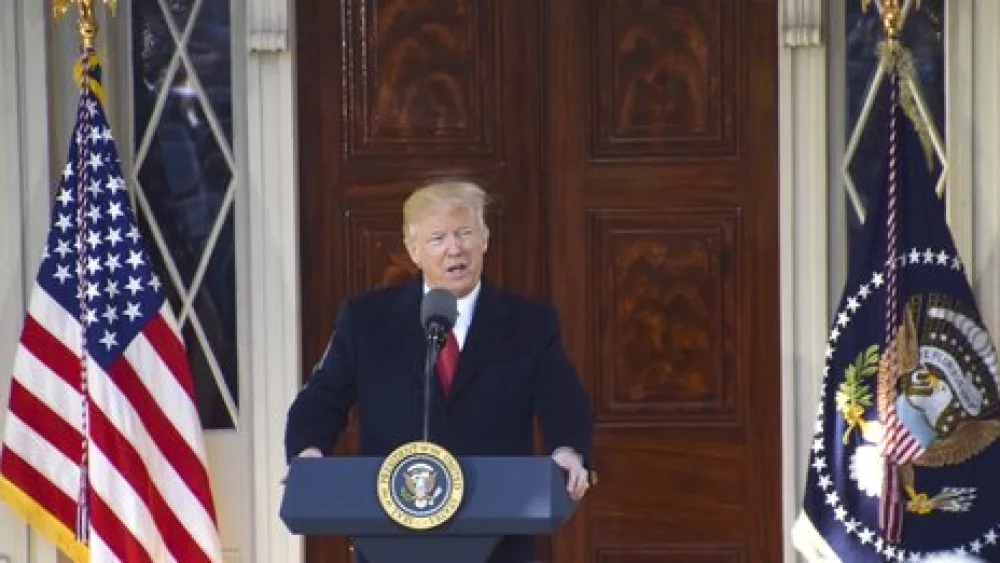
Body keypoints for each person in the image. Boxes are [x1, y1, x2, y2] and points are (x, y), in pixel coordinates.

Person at [284, 180, 595, 563]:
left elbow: (563, 398)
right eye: (438, 238)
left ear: (485, 239)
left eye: (465, 233)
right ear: (414, 251)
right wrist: (308, 452)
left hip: (498, 540)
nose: (455, 248)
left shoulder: (529, 323)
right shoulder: (367, 321)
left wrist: (567, 450)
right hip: (392, 534)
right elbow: (322, 397)